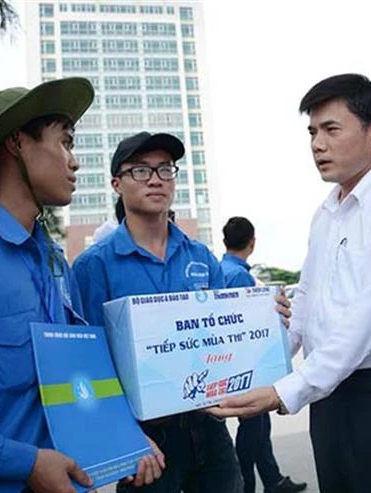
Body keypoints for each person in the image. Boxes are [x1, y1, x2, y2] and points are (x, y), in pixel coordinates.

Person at [0, 78, 162, 492]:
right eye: (65, 143)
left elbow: (75, 381)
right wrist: (25, 462)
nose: (74, 162)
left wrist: (123, 438)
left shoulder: (54, 262)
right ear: (16, 142)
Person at [210, 74, 371, 493]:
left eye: (331, 129)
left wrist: (285, 391)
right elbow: (307, 304)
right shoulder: (326, 214)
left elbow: (369, 317)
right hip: (329, 399)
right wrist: (260, 367)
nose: (317, 144)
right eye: (312, 132)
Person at [73, 132, 291, 493]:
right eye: (141, 170)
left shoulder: (200, 256)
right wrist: (125, 438)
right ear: (116, 183)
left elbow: (234, 331)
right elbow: (87, 367)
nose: (156, 179)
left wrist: (270, 317)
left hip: (210, 428)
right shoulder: (94, 266)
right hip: (146, 442)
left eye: (165, 169)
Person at [220, 217, 307, 493]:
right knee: (253, 428)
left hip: (228, 360)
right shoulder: (241, 277)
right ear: (252, 242)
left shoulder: (219, 269)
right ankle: (248, 484)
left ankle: (273, 480)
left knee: (259, 427)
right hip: (248, 364)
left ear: (224, 241)